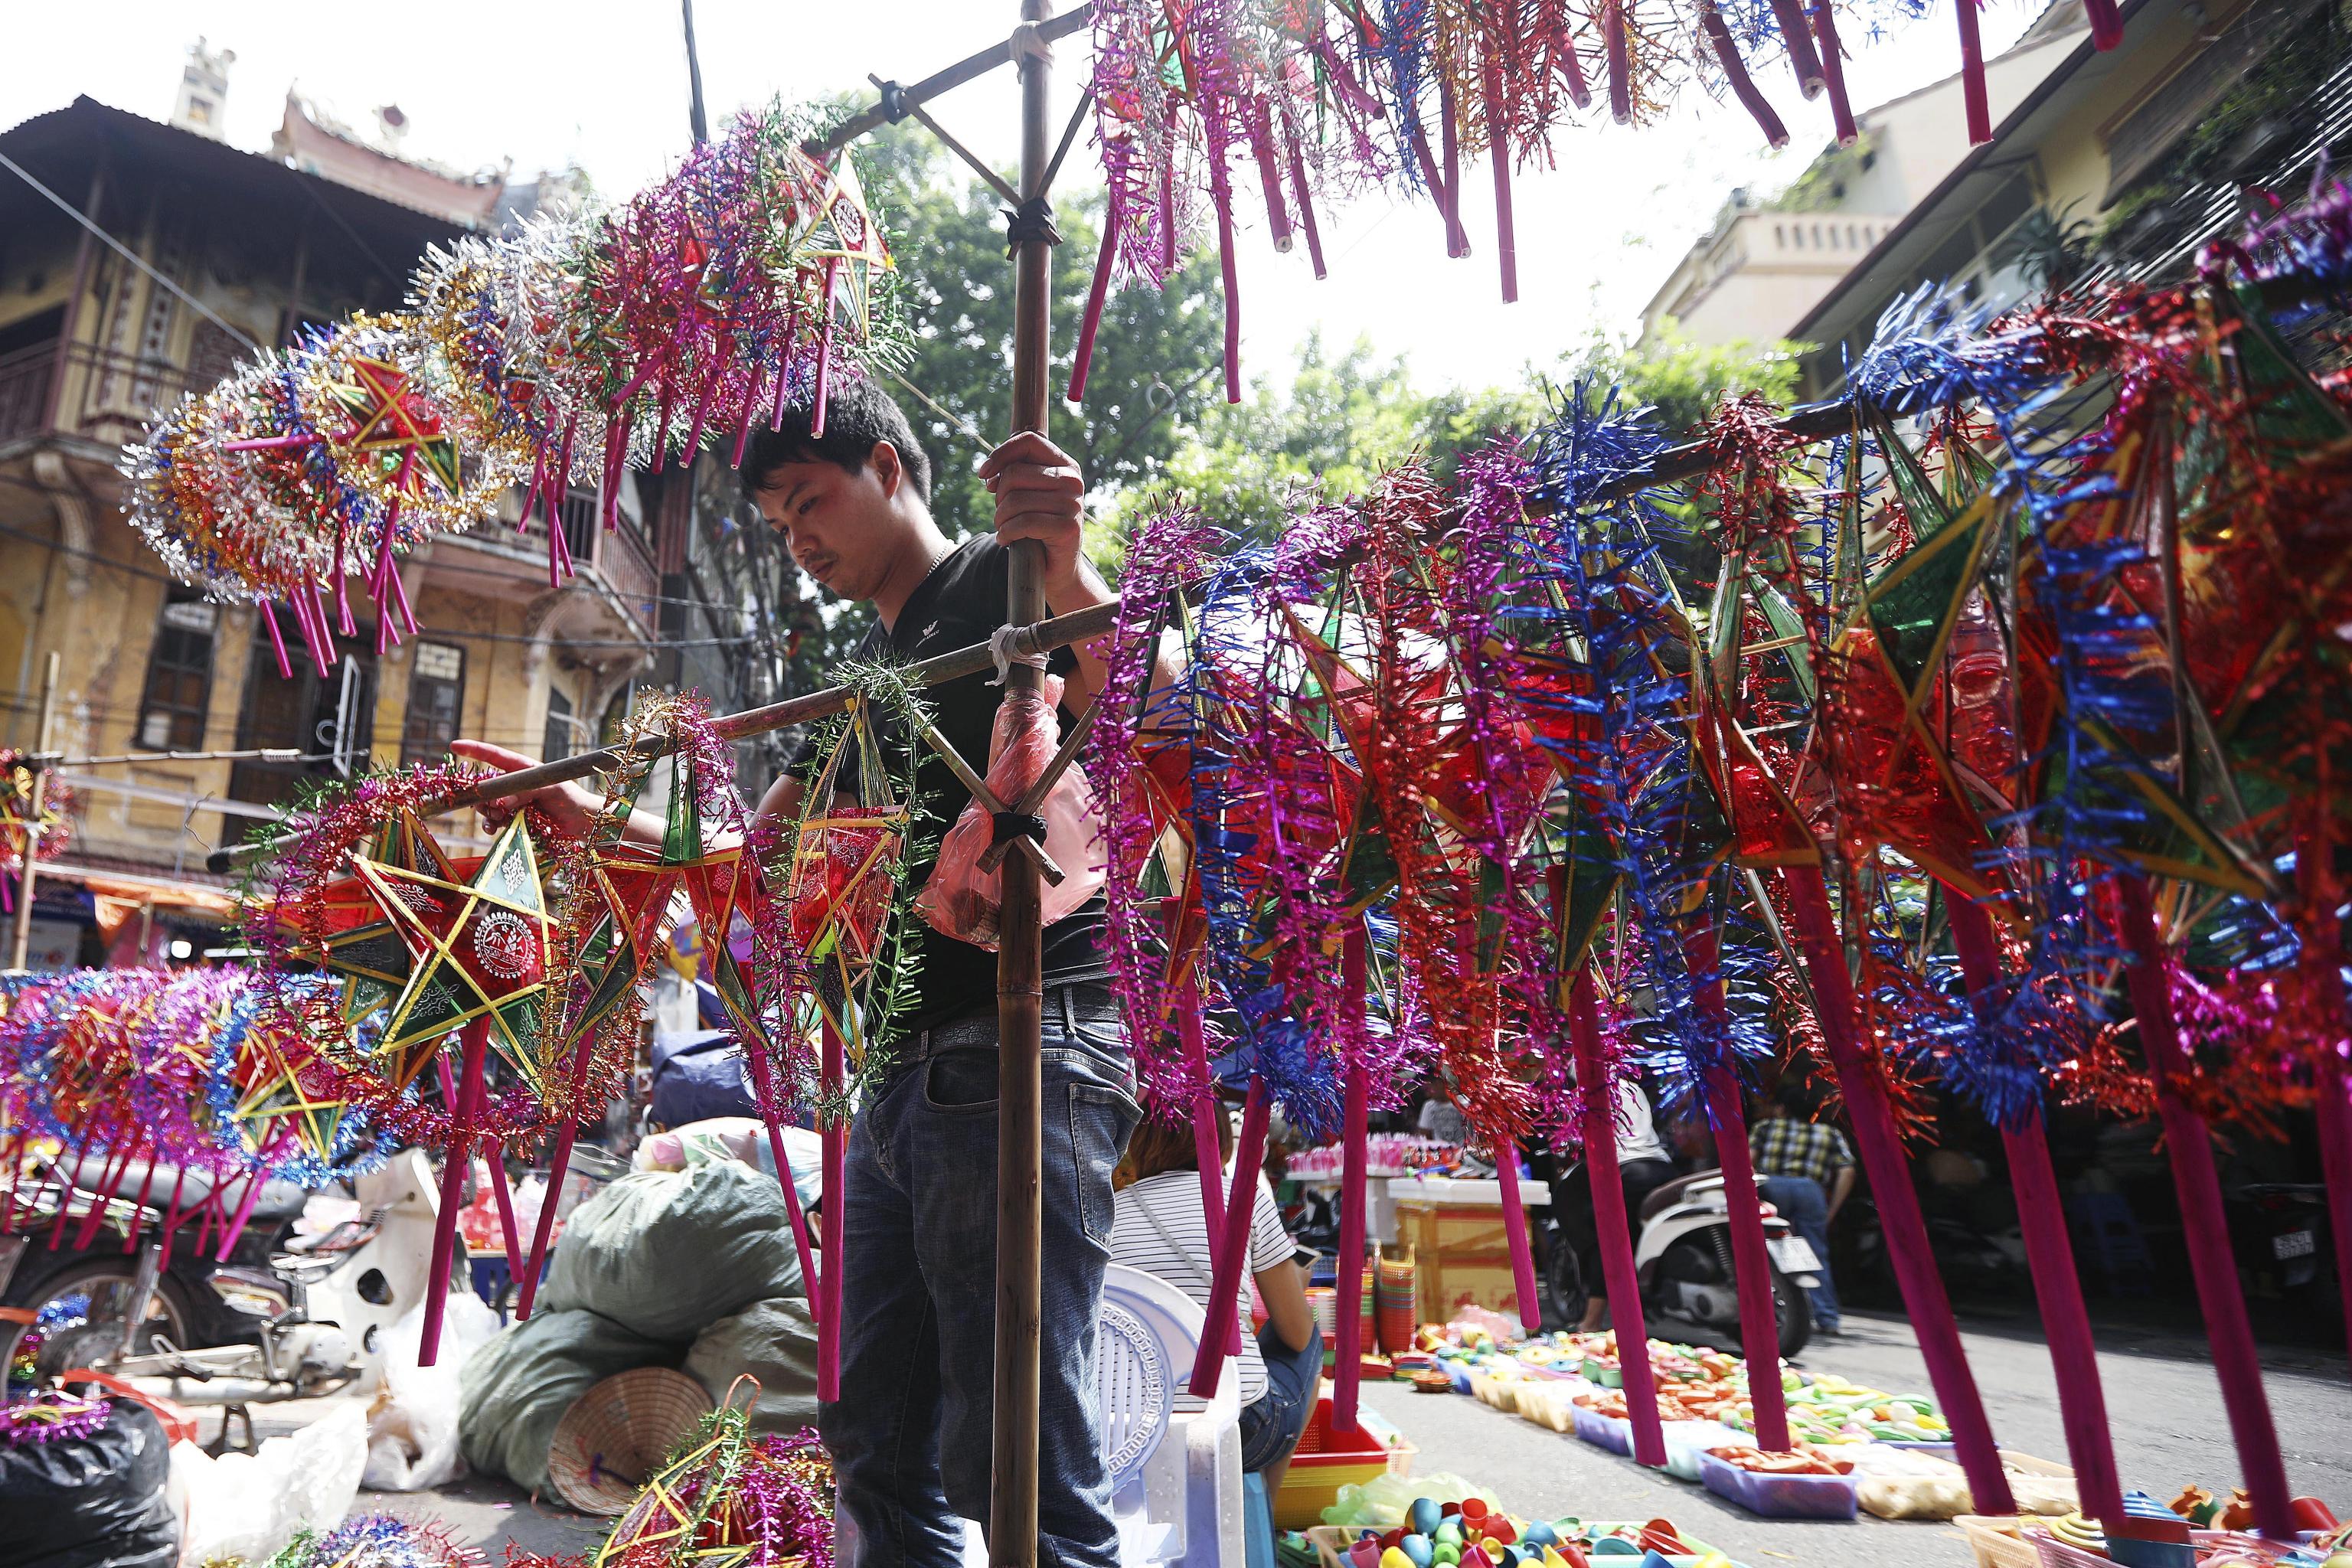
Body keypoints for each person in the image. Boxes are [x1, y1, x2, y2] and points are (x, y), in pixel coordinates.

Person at [457, 380, 1159, 1568]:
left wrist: (1071, 566)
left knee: (1017, 1461)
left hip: (1015, 1046)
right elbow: (749, 859)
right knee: (876, 1441)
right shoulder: (860, 680)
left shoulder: (1004, 581)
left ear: (887, 468)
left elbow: (1139, 709)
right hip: (903, 1080)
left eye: (809, 501)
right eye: (780, 525)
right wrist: (595, 824)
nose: (800, 541)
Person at [1109, 1113, 1322, 1490]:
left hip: (1130, 1433)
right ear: (1220, 1143)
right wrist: (1297, 1282)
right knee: (1312, 1339)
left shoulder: (1109, 1212)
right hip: (1239, 1429)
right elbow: (1297, 1334)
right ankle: (1264, 1517)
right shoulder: (1244, 1198)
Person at [1546, 1074, 1678, 1331]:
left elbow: (1583, 1135)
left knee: (1606, 1241)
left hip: (1624, 1169)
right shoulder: (1633, 1087)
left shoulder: (1592, 1088)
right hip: (1660, 1167)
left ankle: (1592, 1321)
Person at [1749, 1084, 1857, 1336]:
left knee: (1767, 1249)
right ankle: (1827, 1317)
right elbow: (1848, 1171)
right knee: (1815, 1253)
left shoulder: (1766, 1128)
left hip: (1771, 1186)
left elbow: (1747, 1162)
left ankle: (1767, 1311)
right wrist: (1830, 1210)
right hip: (1811, 1190)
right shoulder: (1829, 1134)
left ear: (1782, 1108)